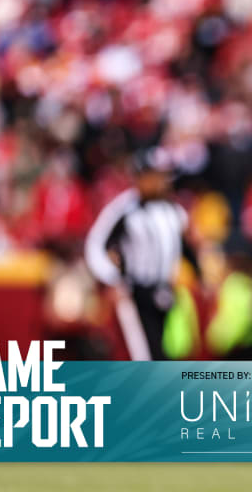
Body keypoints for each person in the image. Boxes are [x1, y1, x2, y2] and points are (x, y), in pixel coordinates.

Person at [84, 147, 201, 361]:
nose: (158, 182)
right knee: (143, 353)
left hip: (166, 290)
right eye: (152, 176)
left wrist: (200, 276)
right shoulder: (126, 209)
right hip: (136, 291)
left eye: (161, 176)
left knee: (170, 352)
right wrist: (112, 278)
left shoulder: (174, 210)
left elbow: (186, 248)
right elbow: (95, 244)